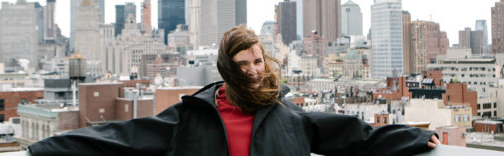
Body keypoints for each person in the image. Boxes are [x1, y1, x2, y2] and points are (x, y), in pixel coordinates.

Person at [29, 25, 440, 156]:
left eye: (258, 61)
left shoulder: (288, 114)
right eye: (242, 66)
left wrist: (419, 137)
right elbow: (121, 137)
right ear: (228, 68)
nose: (254, 71)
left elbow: (356, 134)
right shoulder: (194, 114)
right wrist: (45, 148)